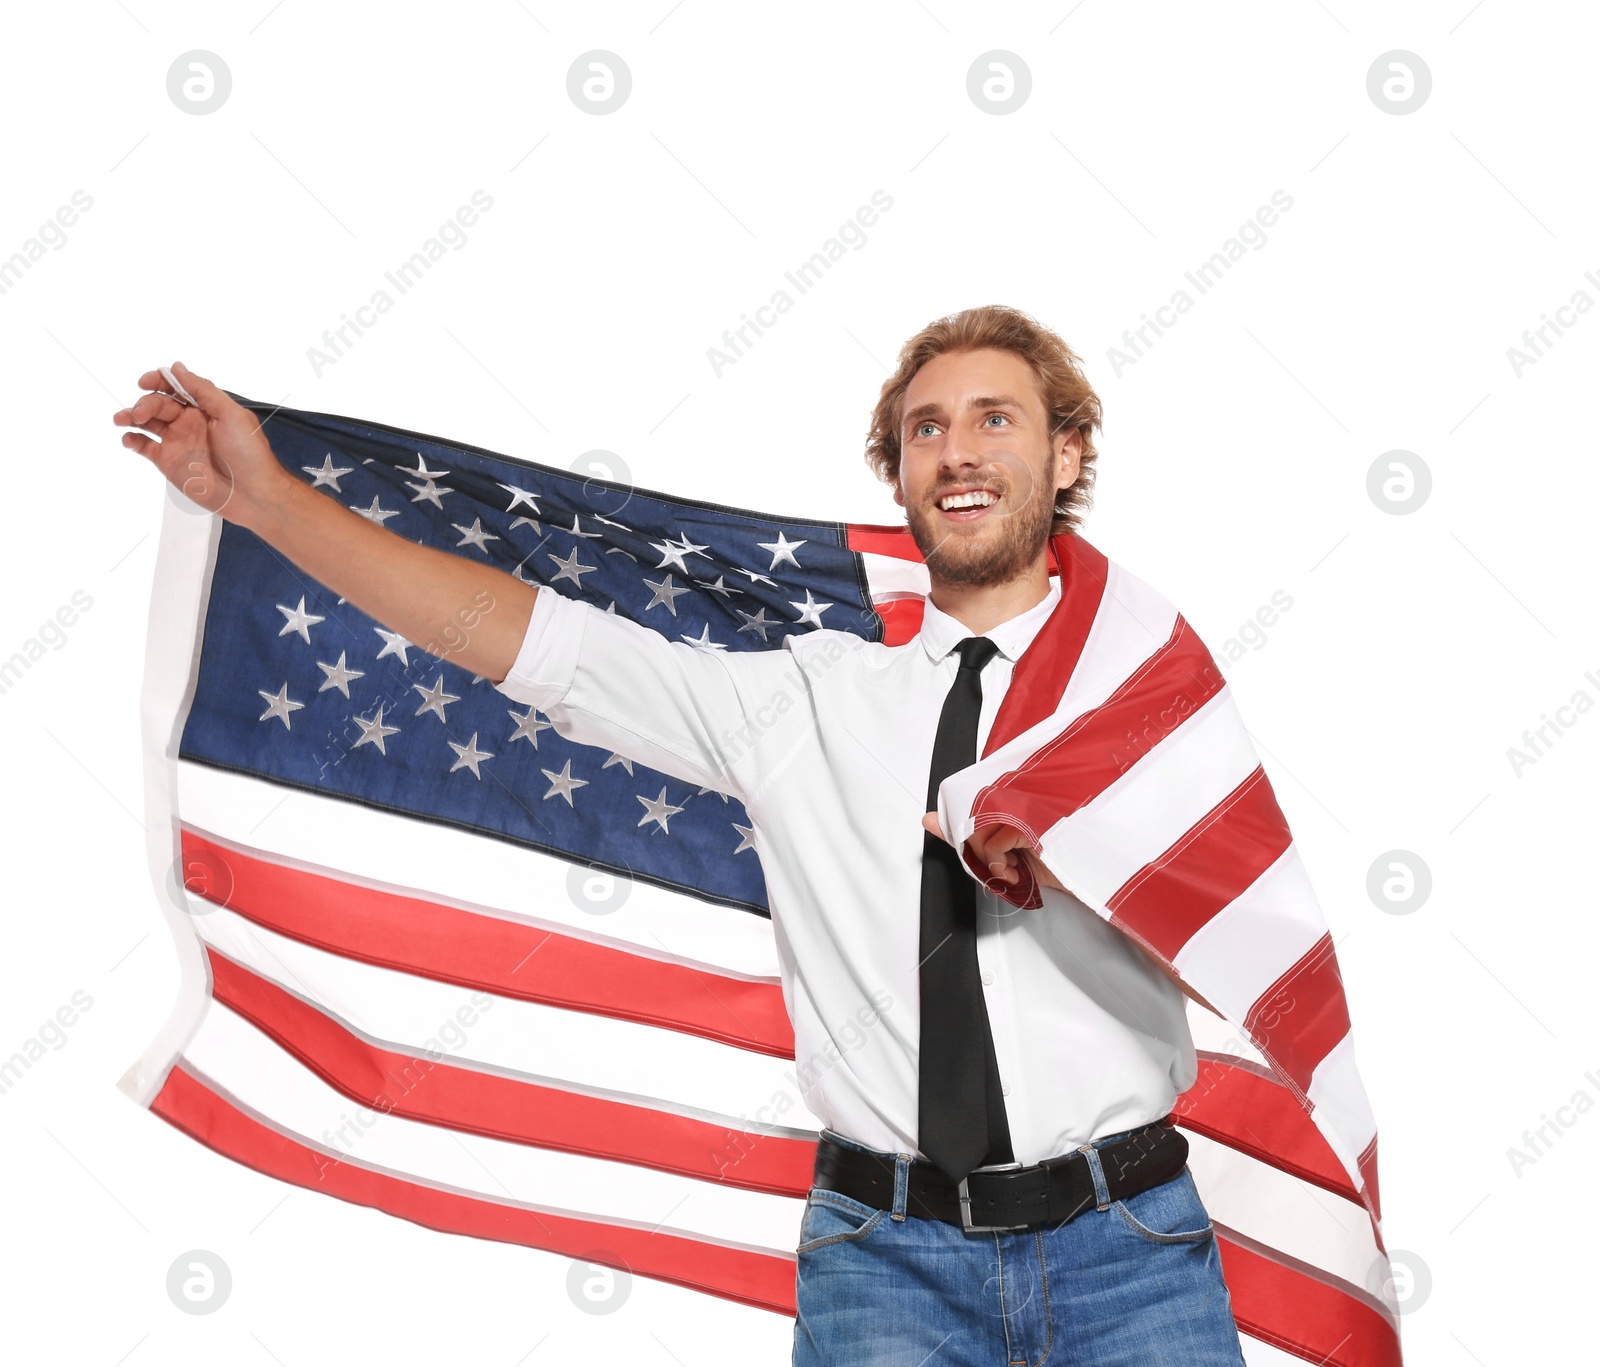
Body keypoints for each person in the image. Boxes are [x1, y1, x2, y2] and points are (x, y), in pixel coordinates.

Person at [114, 304, 1248, 1365]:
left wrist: (1097, 861)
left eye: (994, 419)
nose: (956, 451)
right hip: (888, 1265)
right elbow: (535, 643)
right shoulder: (803, 700)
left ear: (1067, 454)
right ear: (896, 471)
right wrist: (265, 503)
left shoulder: (1148, 697)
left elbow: (1251, 966)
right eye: (925, 428)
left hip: (1129, 1248)